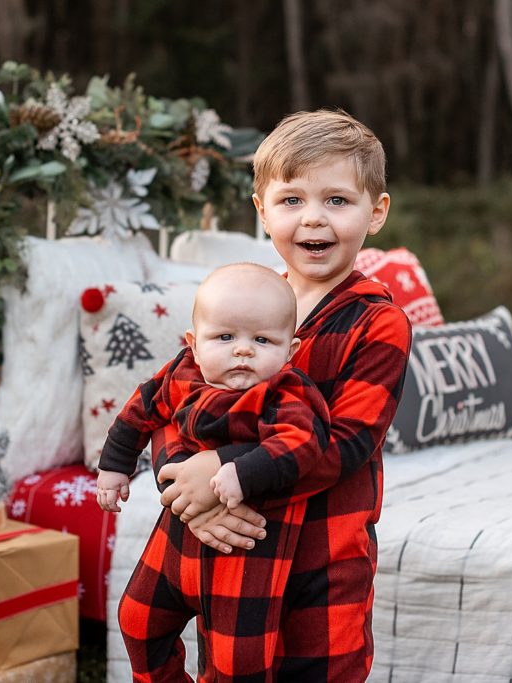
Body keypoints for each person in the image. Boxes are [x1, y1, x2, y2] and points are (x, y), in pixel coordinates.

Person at [156, 109, 413, 681]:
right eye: (292, 200)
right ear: (261, 211)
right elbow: (173, 399)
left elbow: (346, 446)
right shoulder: (244, 300)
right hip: (235, 549)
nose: (313, 219)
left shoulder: (378, 323)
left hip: (323, 556)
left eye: (337, 201)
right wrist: (183, 487)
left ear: (377, 213)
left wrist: (224, 469)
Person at [96, 262, 331, 682]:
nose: (243, 350)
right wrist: (115, 466)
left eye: (262, 340)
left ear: (290, 351)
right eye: (225, 337)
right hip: (176, 537)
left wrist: (240, 471)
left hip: (243, 550)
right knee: (136, 620)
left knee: (238, 666)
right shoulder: (180, 374)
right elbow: (138, 412)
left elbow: (302, 443)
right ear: (194, 343)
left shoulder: (284, 392)